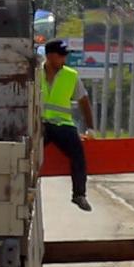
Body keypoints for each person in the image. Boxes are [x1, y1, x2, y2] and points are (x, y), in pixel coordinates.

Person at [39, 38, 91, 211]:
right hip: (40, 123)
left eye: (64, 56)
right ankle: (25, 190)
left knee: (78, 154)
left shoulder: (71, 75)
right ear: (49, 56)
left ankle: (79, 194)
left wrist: (90, 128)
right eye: (60, 56)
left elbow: (84, 102)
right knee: (28, 152)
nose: (64, 60)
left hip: (63, 125)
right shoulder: (34, 73)